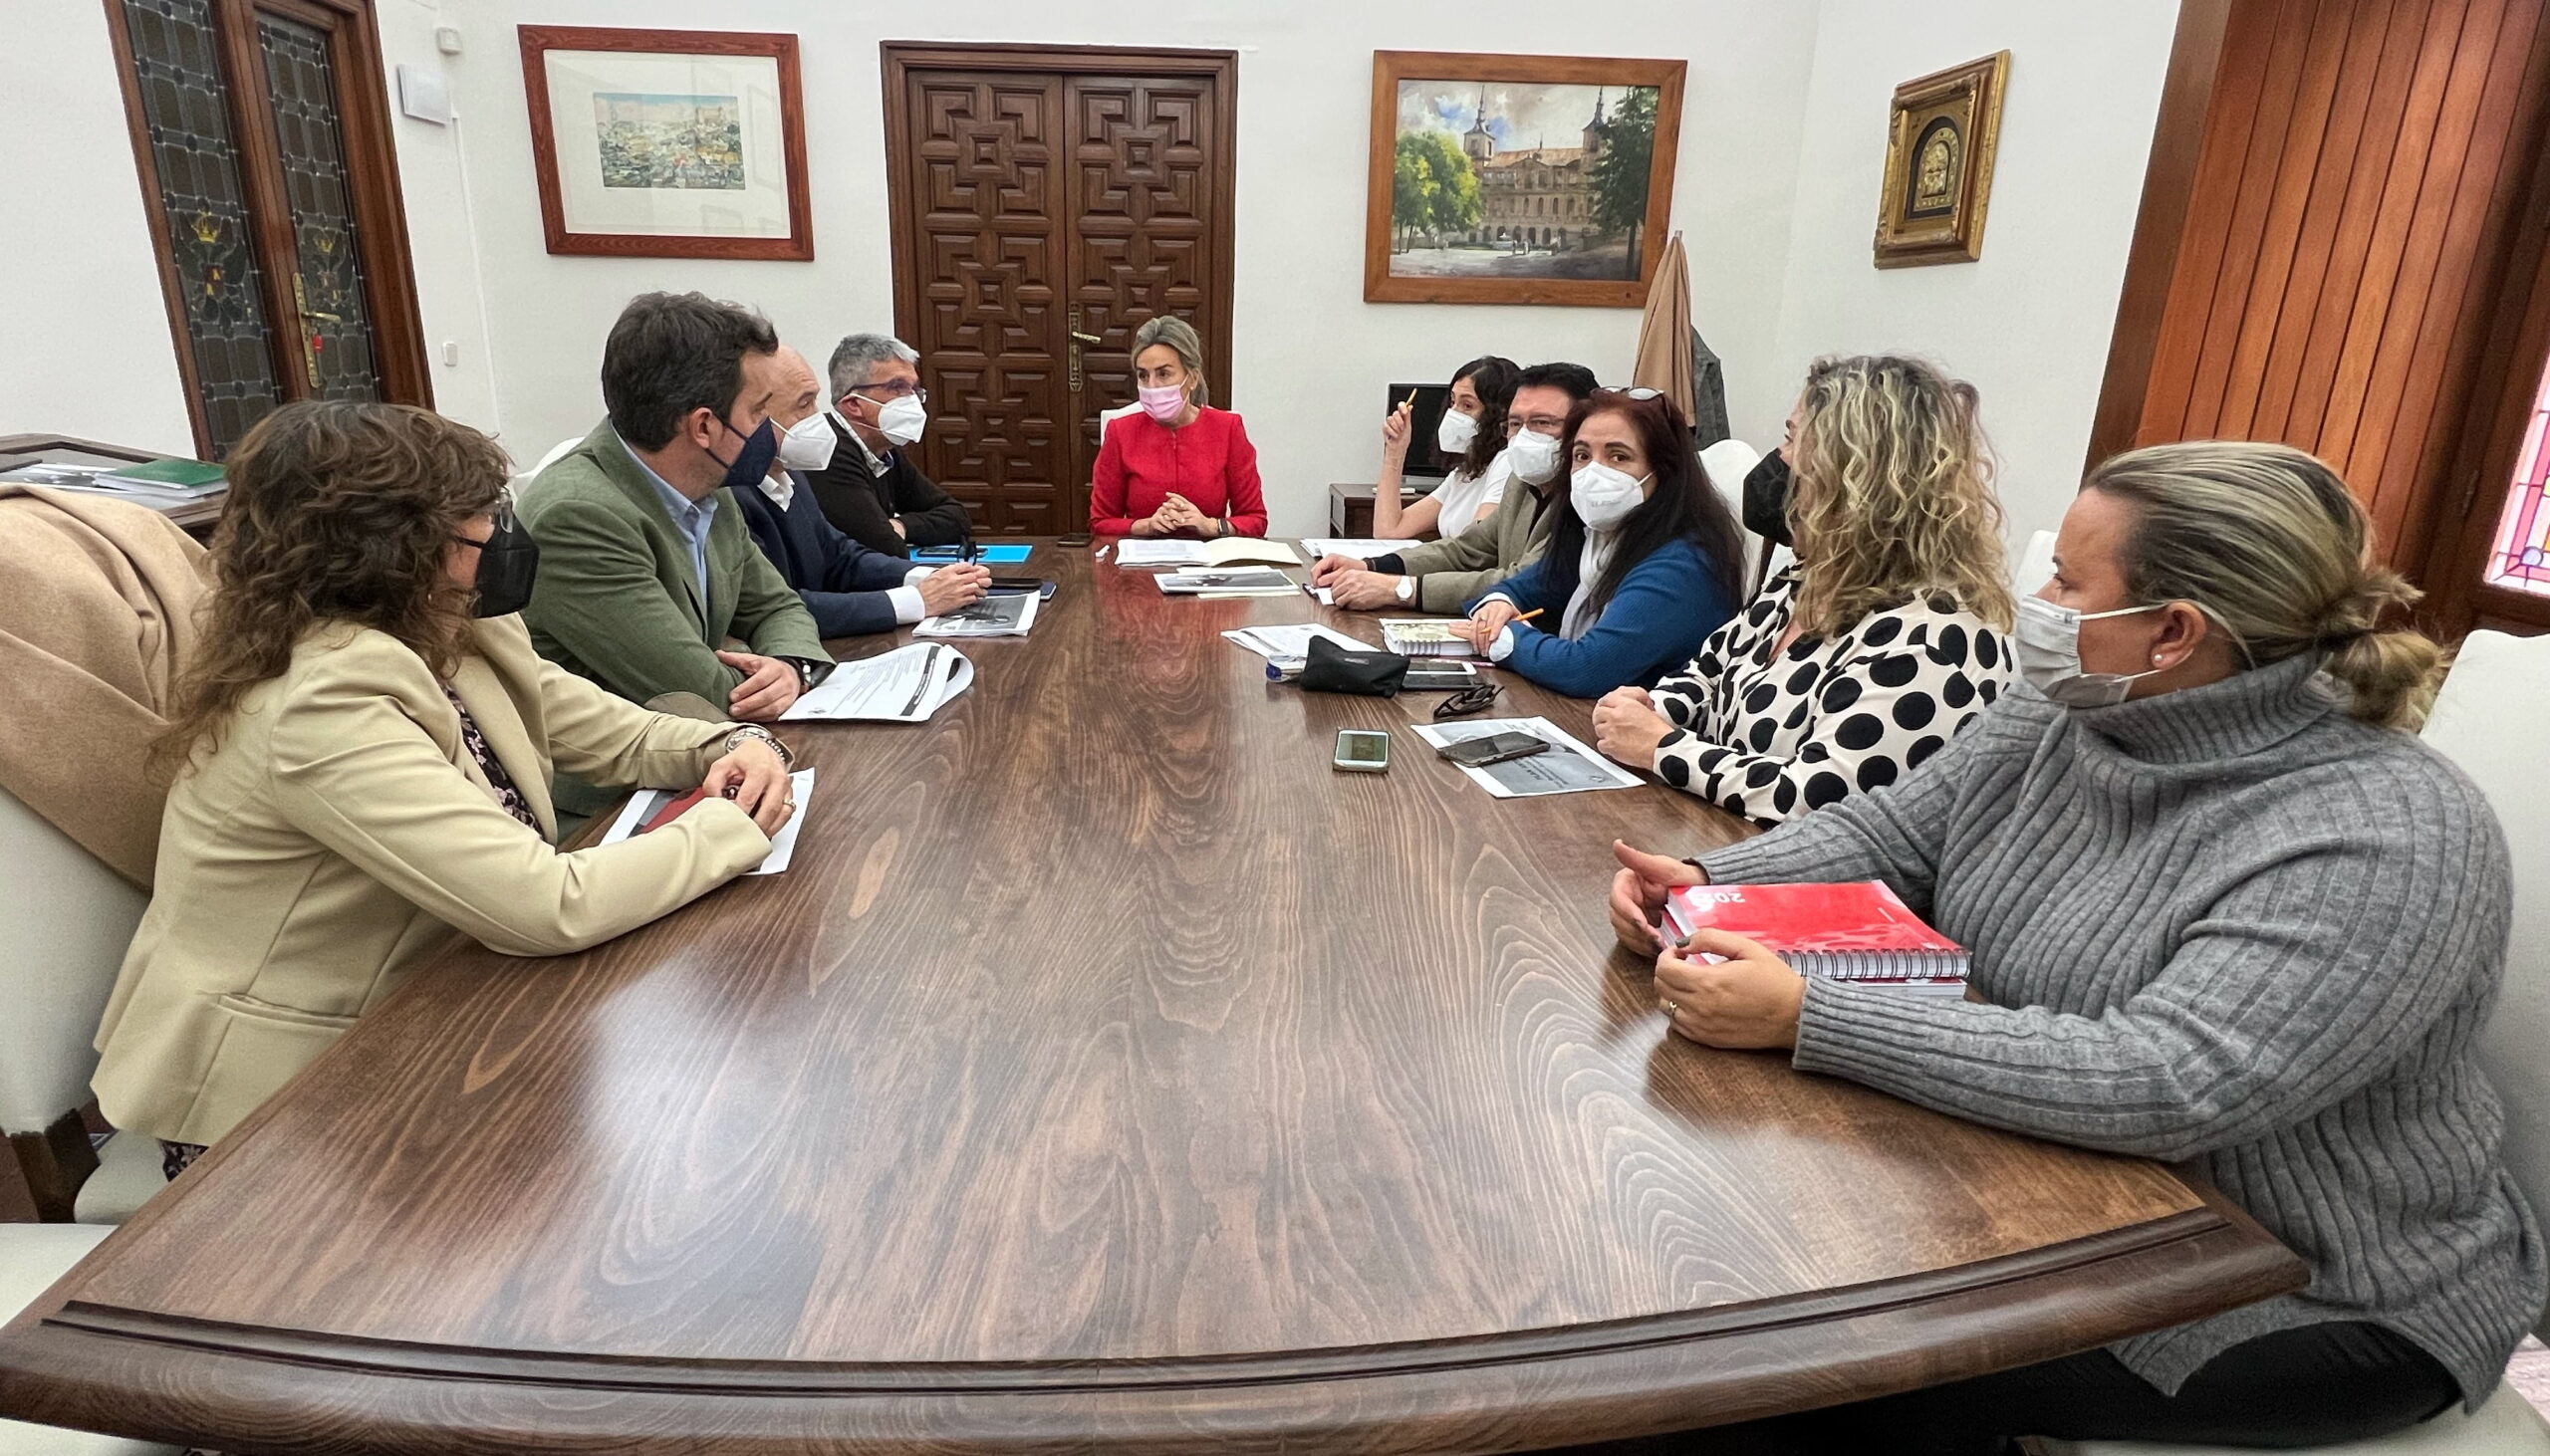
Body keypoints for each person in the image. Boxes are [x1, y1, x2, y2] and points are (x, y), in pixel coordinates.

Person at [1606, 440, 2543, 1453]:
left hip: (2314, 1288)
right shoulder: (2068, 711)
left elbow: (2169, 1081)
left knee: (1791, 1374)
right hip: (2046, 1185)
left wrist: (1813, 1014)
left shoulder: (2381, 832)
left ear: (2173, 633)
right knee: (1722, 1276)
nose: (2039, 598)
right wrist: (1714, 883)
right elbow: (1895, 833)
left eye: (2068, 579)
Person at [91, 400, 794, 1170]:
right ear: (394, 549)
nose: (499, 536)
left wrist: (736, 742)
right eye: (477, 521)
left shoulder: (450, 626)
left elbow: (617, 732)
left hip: (432, 1009)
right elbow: (544, 907)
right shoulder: (321, 699)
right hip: (284, 1101)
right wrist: (736, 823)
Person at [1591, 356, 2013, 825]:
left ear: (1854, 473)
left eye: (1792, 439)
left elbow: (1816, 799)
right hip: (1715, 838)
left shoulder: (1931, 639)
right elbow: (1710, 671)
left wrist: (1662, 748)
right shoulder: (1810, 574)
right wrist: (1650, 709)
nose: (1778, 458)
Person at [518, 292, 831, 726]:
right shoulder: (575, 518)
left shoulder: (708, 484)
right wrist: (747, 658)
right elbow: (701, 694)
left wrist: (789, 666)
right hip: (623, 785)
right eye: (759, 411)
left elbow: (779, 607)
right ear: (704, 426)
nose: (767, 428)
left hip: (710, 753)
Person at [1452, 389, 1743, 699]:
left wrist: (1504, 636)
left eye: (1618, 456)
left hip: (1652, 735)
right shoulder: (1598, 535)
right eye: (1582, 455)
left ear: (1664, 469)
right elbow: (1524, 588)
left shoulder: (1684, 564)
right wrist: (1499, 605)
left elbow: (1585, 668)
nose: (1594, 471)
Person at [732, 344, 991, 636]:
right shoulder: (730, 497)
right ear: (751, 415)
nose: (819, 418)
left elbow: (841, 556)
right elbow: (774, 610)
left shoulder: (790, 475)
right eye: (804, 405)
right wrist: (918, 600)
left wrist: (926, 577)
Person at [1311, 362, 1595, 612]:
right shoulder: (1522, 483)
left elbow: (1523, 580)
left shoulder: (1585, 501)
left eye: (1542, 423)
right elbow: (1465, 550)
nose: (1523, 437)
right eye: (1515, 423)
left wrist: (1398, 589)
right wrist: (1371, 566)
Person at [1089, 315, 1267, 538]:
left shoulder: (1228, 428)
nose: (1152, 386)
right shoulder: (1120, 432)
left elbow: (1255, 520)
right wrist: (1147, 525)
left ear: (1191, 378)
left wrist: (1210, 525)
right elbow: (1100, 523)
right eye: (1143, 376)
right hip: (1141, 562)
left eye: (1163, 374)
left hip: (1209, 562)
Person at [804, 333, 972, 557]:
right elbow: (883, 545)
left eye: (914, 388)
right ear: (854, 404)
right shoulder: (828, 449)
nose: (911, 399)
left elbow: (957, 516)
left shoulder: (886, 450)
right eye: (897, 387)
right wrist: (892, 531)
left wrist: (902, 526)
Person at [1369, 356, 1520, 542]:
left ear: (1498, 414)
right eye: (1452, 402)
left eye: (1467, 405)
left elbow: (1475, 547)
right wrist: (1395, 451)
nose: (1453, 413)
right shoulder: (1465, 472)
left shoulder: (1506, 462)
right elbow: (1388, 531)